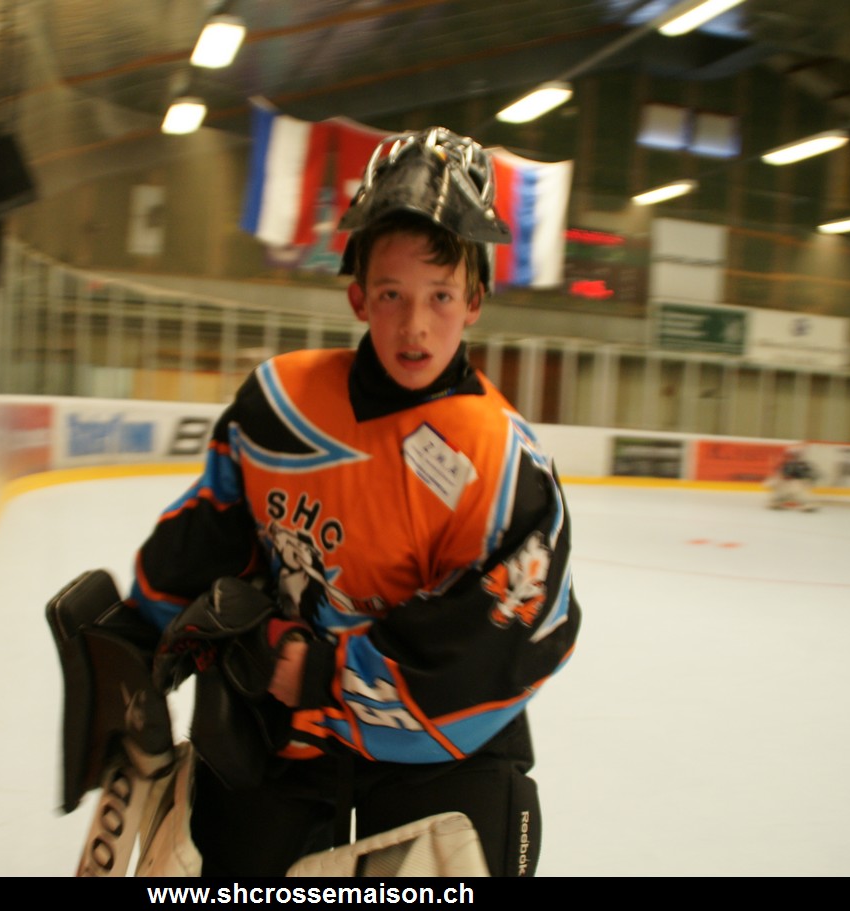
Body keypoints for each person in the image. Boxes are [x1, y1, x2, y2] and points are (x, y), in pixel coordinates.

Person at [117, 127, 581, 877]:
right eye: (392, 295)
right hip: (278, 741)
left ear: (474, 301)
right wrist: (136, 638)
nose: (415, 325)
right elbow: (210, 531)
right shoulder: (279, 404)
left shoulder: (503, 464)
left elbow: (501, 640)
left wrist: (320, 671)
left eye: (439, 296)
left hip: (433, 762)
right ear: (358, 296)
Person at [767, 445, 818, 511]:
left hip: (798, 486)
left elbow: (811, 476)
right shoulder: (786, 464)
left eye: (796, 455)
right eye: (793, 455)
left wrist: (807, 481)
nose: (794, 457)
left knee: (799, 490)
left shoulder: (804, 465)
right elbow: (779, 476)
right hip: (787, 485)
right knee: (781, 489)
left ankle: (806, 503)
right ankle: (777, 501)